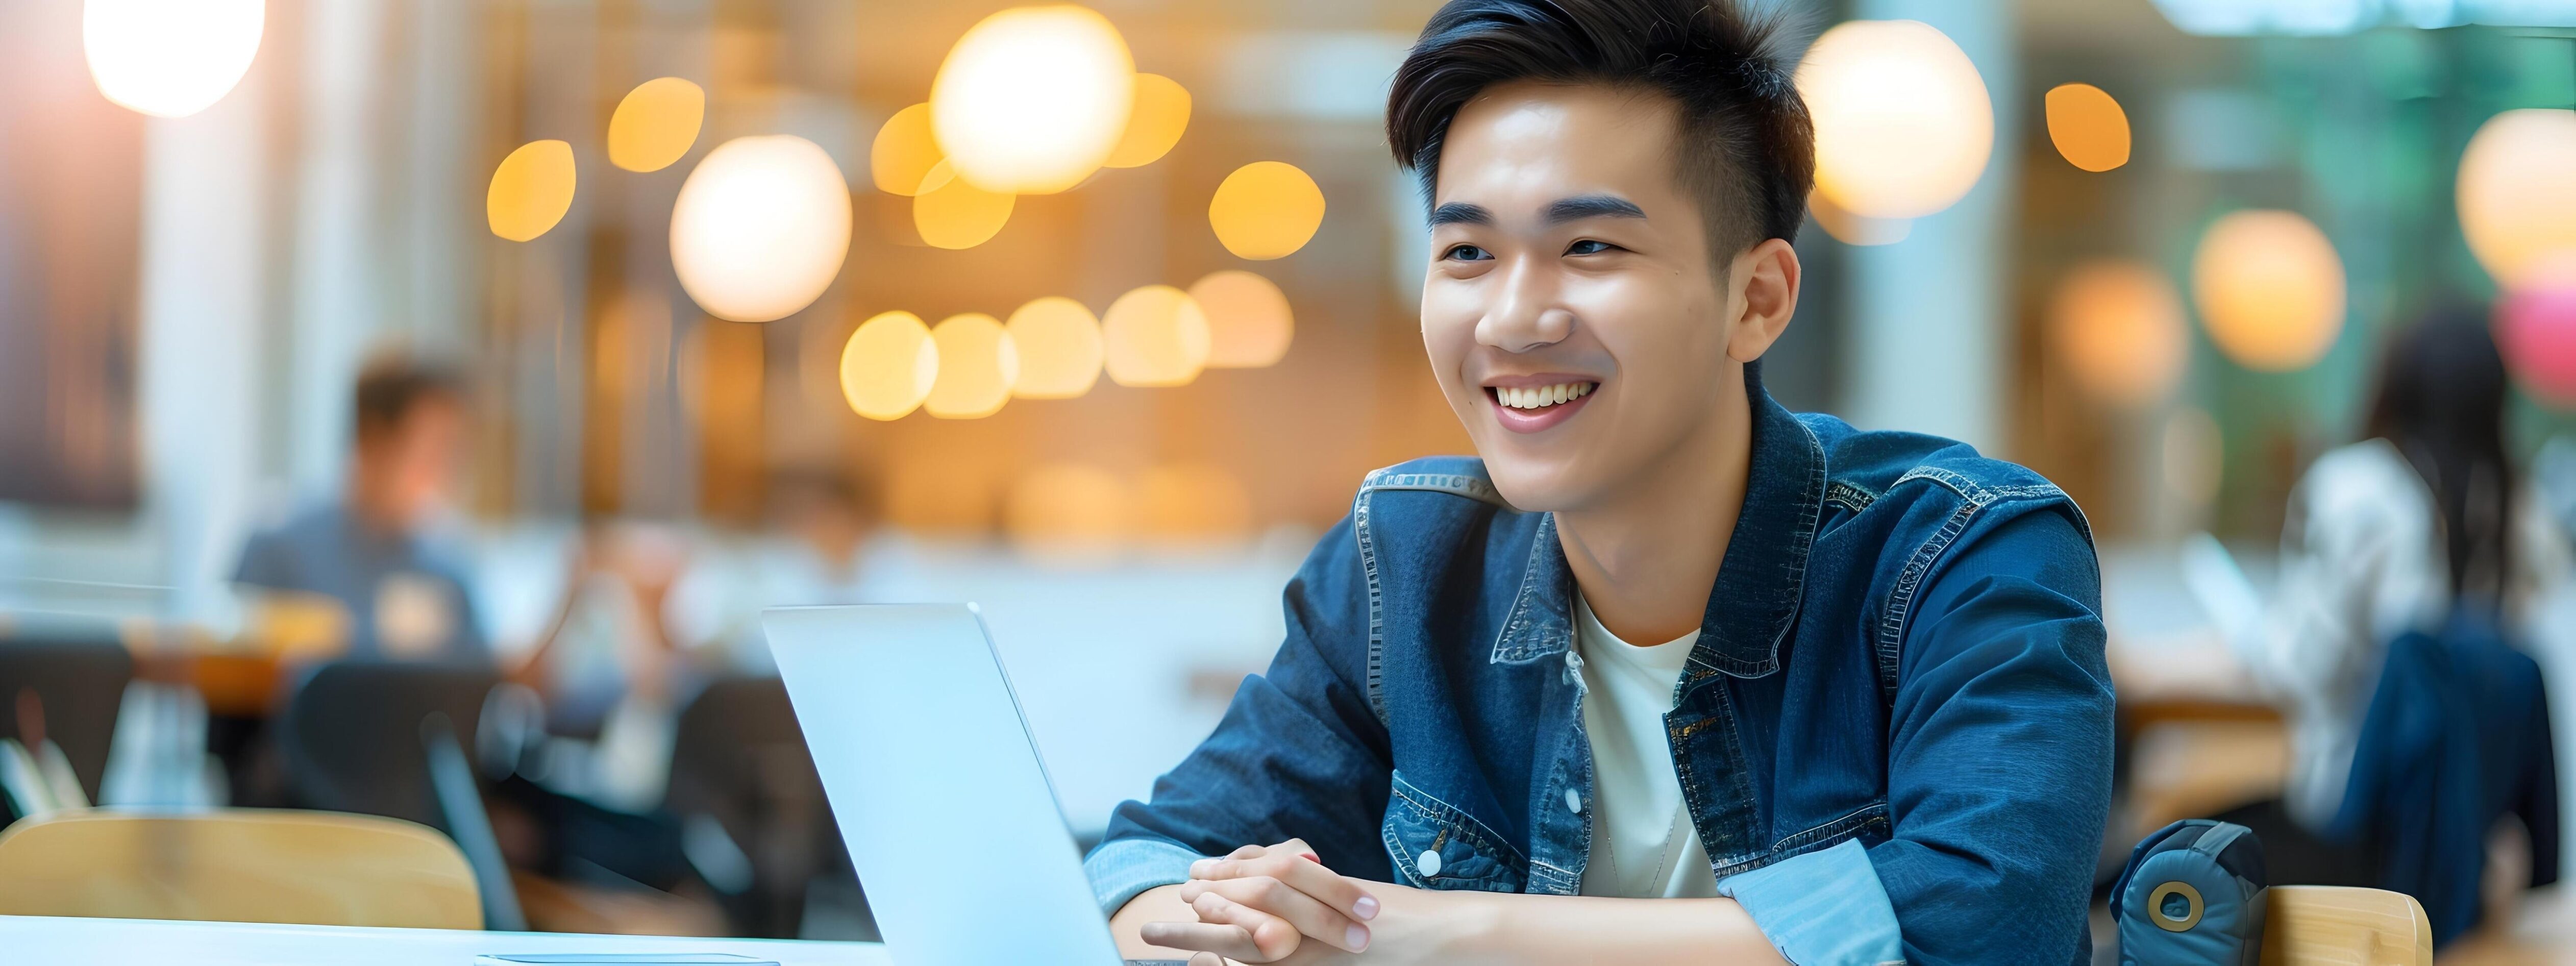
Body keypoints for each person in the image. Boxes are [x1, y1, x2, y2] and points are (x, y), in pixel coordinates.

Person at [1087, 2, 2114, 963]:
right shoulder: (1403, 560)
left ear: (1755, 298)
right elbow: (1138, 871)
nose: (1509, 318)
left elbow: (1988, 922)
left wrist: (1430, 934)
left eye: (1588, 246)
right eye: (1466, 252)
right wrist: (1265, 926)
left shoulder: (1962, 554)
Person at [2221, 308, 2569, 889]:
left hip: (2351, 828)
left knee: (2155, 861)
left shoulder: (2357, 489)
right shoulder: (2519, 508)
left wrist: (2250, 644)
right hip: (2457, 842)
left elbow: (2304, 669)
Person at [234, 355, 486, 661]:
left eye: (456, 450)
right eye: (435, 447)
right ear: (373, 438)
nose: (447, 468)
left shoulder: (449, 570)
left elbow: (484, 683)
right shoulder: (279, 549)